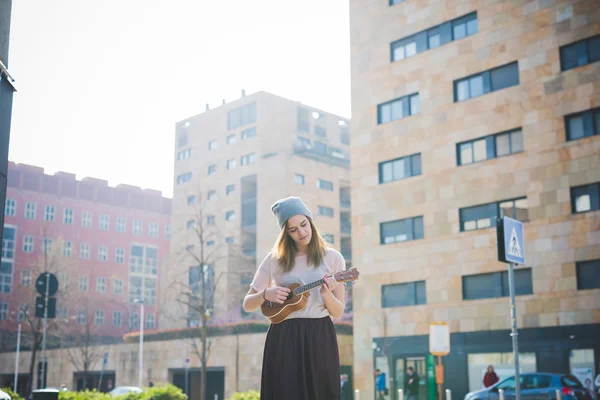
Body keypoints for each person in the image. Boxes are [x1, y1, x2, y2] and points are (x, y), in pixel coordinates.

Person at [243, 197, 347, 400]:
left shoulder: (333, 258)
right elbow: (247, 304)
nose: (301, 232)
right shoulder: (274, 259)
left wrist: (326, 295)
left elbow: (338, 311)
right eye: (293, 230)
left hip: (320, 335)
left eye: (303, 224)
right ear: (285, 233)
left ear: (310, 221)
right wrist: (266, 294)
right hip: (284, 335)